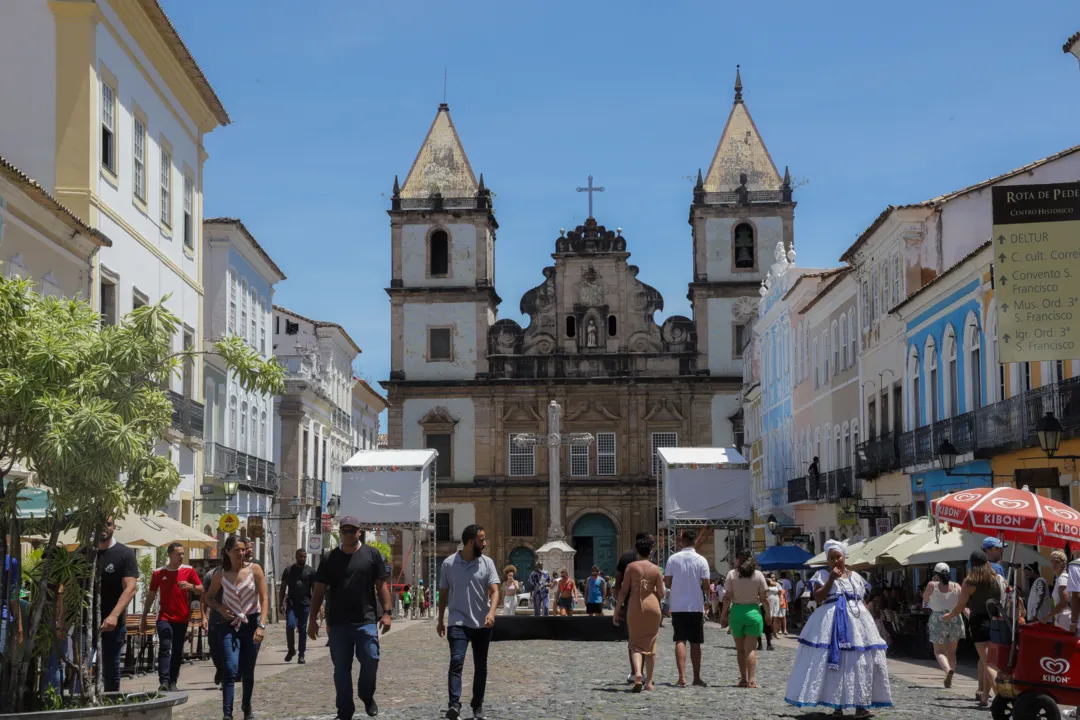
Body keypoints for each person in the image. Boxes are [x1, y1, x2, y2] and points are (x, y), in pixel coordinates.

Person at [785, 540, 892, 717]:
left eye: (838, 557)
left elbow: (862, 599)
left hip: (858, 625)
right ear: (827, 561)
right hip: (833, 623)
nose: (835, 561)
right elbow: (818, 597)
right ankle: (837, 705)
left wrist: (868, 620)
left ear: (844, 557)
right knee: (836, 662)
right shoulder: (821, 575)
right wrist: (831, 580)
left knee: (860, 662)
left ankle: (861, 705)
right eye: (831, 558)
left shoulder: (856, 577)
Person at [309, 516, 391, 719]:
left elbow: (381, 585)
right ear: (340, 532)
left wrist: (387, 613)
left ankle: (366, 695)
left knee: (371, 659)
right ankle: (345, 709)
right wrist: (312, 620)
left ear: (359, 532)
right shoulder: (329, 558)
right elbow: (318, 591)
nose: (347, 534)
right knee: (341, 669)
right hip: (338, 623)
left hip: (366, 619)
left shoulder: (371, 555)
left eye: (351, 530)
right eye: (344, 530)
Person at [203, 536, 269, 720]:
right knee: (230, 669)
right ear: (227, 552)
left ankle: (246, 707)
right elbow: (208, 597)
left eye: (242, 549)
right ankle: (227, 714)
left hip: (251, 623)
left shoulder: (254, 569)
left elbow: (264, 599)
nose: (241, 553)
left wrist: (261, 626)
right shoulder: (220, 574)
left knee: (248, 671)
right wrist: (220, 608)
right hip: (229, 625)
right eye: (237, 550)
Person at [438, 524, 499, 720]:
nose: (485, 543)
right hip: (458, 622)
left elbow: (495, 591)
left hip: (482, 623)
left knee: (481, 665)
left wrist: (491, 612)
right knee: (456, 661)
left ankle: (477, 705)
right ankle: (454, 704)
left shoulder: (487, 563)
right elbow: (444, 593)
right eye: (482, 540)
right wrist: (440, 619)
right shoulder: (448, 564)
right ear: (471, 542)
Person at [944, 550, 1004, 709]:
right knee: (988, 661)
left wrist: (951, 615)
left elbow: (961, 605)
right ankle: (985, 696)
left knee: (988, 662)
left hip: (979, 623)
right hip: (997, 622)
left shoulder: (969, 582)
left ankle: (1002, 698)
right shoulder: (997, 579)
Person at [141, 542, 203, 692]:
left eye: (182, 554)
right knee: (165, 647)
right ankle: (164, 681)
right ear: (170, 555)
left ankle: (173, 680)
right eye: (178, 554)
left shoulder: (189, 571)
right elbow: (151, 594)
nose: (181, 556)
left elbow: (201, 589)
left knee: (177, 651)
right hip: (164, 617)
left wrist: (190, 586)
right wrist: (144, 615)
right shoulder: (158, 573)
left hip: (182, 618)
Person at [92, 516, 138, 692]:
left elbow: (130, 588)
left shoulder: (124, 553)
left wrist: (113, 615)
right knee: (80, 667)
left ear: (114, 527)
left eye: (108, 524)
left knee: (110, 668)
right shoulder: (84, 553)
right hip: (84, 622)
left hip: (113, 624)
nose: (104, 527)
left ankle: (112, 708)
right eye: (100, 524)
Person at [613, 534, 664, 693]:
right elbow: (662, 594)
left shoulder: (631, 567)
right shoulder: (656, 569)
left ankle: (638, 675)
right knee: (651, 642)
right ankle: (649, 682)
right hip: (652, 606)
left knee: (635, 643)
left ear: (637, 552)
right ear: (650, 553)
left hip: (634, 605)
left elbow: (623, 591)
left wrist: (617, 610)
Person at [663, 529, 711, 688]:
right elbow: (706, 585)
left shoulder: (673, 559)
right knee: (696, 642)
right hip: (695, 605)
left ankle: (682, 677)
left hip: (678, 605)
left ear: (681, 541)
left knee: (680, 639)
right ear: (695, 541)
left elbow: (667, 583)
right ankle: (696, 677)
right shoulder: (701, 560)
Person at [721, 549, 769, 689]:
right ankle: (751, 680)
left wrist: (723, 615)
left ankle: (742, 679)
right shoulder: (758, 575)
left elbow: (727, 597)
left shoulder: (732, 574)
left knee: (740, 649)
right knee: (751, 649)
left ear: (738, 560)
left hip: (737, 612)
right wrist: (768, 614)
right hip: (753, 612)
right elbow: (764, 598)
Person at [616, 531, 653, 684]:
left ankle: (635, 671)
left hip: (630, 603)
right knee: (648, 639)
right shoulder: (652, 562)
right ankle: (645, 675)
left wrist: (617, 605)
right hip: (649, 603)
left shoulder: (626, 558)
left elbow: (619, 583)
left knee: (633, 639)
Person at [922, 562, 963, 688]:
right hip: (955, 617)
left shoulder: (931, 585)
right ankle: (951, 673)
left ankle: (947, 670)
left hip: (938, 619)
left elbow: (925, 599)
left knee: (939, 651)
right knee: (952, 652)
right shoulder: (956, 586)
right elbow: (962, 603)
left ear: (936, 575)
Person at [281, 549, 315, 664]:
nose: (303, 559)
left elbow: (314, 589)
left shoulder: (310, 571)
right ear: (296, 557)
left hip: (305, 604)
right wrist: (281, 602)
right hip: (292, 604)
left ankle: (301, 654)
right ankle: (291, 649)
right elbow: (282, 587)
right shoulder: (289, 571)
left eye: (305, 557)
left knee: (302, 629)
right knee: (290, 626)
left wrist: (316, 605)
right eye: (301, 557)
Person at [201, 561, 225, 685]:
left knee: (228, 648)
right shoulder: (211, 575)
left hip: (232, 618)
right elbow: (204, 597)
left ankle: (227, 676)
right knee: (214, 647)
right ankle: (219, 668)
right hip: (215, 617)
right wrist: (203, 616)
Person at [1049, 550, 1071, 630]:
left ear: (1063, 564)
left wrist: (1047, 616)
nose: (1053, 564)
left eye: (1057, 562)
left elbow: (1063, 602)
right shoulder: (1062, 578)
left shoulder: (1062, 579)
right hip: (1063, 618)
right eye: (1052, 561)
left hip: (1065, 618)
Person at [765, 574, 782, 638]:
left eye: (774, 577)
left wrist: (781, 600)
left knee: (776, 617)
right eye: (772, 577)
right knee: (770, 617)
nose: (773, 578)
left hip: (776, 600)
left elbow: (780, 593)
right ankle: (770, 632)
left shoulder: (777, 584)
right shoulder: (766, 583)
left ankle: (775, 632)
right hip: (770, 600)